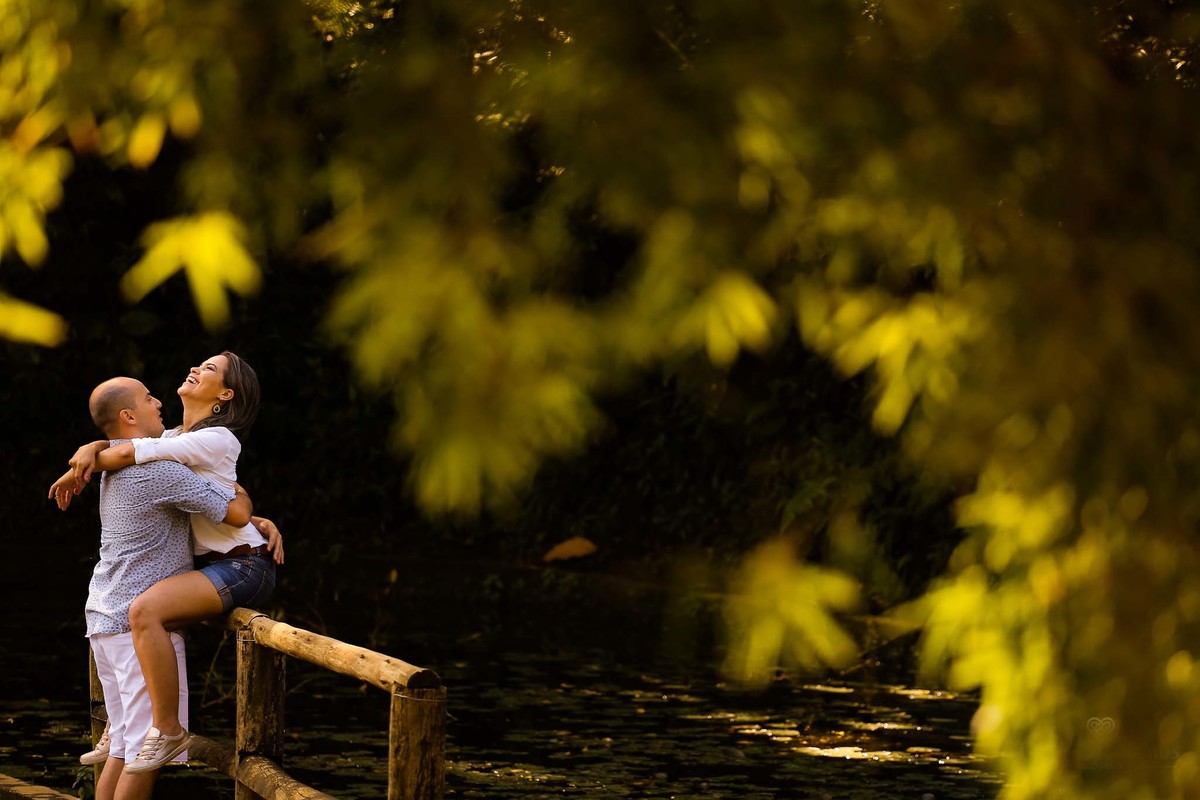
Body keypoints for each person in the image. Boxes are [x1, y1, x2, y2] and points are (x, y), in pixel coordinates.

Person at [50, 352, 284, 773]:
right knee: (143, 611)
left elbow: (129, 453)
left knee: (145, 610)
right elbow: (130, 445)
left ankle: (166, 729)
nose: (197, 368)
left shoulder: (218, 437)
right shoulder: (177, 436)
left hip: (242, 565)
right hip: (213, 564)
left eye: (210, 369)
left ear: (225, 395)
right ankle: (131, 726)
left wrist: (84, 458)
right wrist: (92, 447)